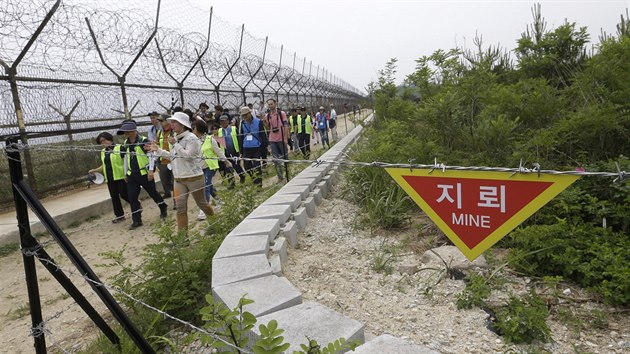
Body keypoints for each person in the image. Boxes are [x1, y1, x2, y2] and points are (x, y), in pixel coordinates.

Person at [149, 112, 214, 232]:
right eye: (171, 122)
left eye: (174, 122)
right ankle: (183, 238)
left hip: (194, 178)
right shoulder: (175, 138)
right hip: (179, 179)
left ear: (183, 124)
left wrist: (175, 144)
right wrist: (158, 150)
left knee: (202, 204)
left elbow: (188, 156)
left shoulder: (191, 138)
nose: (171, 124)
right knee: (180, 208)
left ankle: (215, 223)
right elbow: (174, 156)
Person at [118, 119, 168, 230]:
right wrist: (125, 172)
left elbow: (151, 156)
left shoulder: (143, 141)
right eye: (125, 132)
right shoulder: (126, 144)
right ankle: (136, 220)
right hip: (132, 175)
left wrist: (151, 170)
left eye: (128, 131)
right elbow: (126, 158)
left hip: (144, 173)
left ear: (134, 131)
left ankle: (163, 206)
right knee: (132, 197)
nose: (126, 134)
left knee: (153, 193)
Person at [192, 119, 232, 220]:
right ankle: (218, 200)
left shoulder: (210, 139)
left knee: (205, 185)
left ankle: (204, 210)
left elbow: (218, 151)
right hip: (200, 167)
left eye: (194, 128)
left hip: (210, 166)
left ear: (199, 128)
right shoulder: (193, 140)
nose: (193, 130)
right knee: (209, 185)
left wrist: (226, 161)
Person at [88, 132, 129, 223]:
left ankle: (136, 204)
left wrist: (127, 173)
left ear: (110, 139)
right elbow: (104, 165)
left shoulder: (120, 148)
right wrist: (95, 170)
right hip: (110, 178)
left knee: (123, 194)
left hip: (121, 176)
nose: (103, 143)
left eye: (104, 140)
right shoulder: (103, 151)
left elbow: (127, 161)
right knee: (114, 197)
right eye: (101, 141)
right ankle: (120, 216)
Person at [237, 106, 264, 186]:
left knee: (257, 165)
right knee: (247, 166)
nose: (245, 116)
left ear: (250, 113)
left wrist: (264, 148)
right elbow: (241, 137)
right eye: (243, 115)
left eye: (246, 114)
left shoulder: (258, 122)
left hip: (256, 147)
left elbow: (262, 135)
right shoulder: (242, 124)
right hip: (246, 147)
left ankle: (259, 183)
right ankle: (254, 178)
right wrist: (240, 150)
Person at [264, 98, 289, 182]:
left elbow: (285, 126)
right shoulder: (267, 115)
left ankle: (287, 173)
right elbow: (268, 128)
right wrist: (265, 123)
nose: (270, 106)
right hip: (272, 139)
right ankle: (280, 177)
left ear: (275, 104)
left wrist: (285, 138)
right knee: (276, 159)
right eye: (269, 104)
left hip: (281, 138)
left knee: (285, 157)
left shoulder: (281, 114)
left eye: (271, 104)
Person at [218, 114, 247, 185]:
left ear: (228, 121)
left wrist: (240, 150)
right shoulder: (219, 131)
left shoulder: (233, 129)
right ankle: (231, 184)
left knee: (236, 166)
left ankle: (242, 176)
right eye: (221, 122)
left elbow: (239, 139)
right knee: (228, 168)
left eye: (224, 121)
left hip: (234, 151)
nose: (223, 123)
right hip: (225, 152)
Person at [155, 115, 175, 207]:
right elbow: (157, 145)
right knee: (164, 181)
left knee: (175, 182)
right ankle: (167, 193)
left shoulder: (174, 132)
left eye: (162, 121)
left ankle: (176, 201)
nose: (160, 123)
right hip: (162, 160)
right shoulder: (159, 133)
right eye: (160, 121)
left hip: (172, 161)